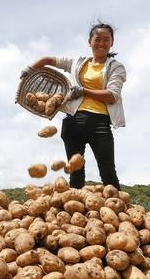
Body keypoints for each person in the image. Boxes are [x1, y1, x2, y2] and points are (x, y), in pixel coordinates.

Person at [21, 22, 126, 189]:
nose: (101, 43)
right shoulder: (78, 62)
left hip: (99, 123)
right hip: (72, 121)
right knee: (75, 173)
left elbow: (112, 96)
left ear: (112, 42)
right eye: (97, 39)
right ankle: (74, 211)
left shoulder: (116, 67)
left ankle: (123, 211)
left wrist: (83, 91)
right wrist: (30, 69)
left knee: (107, 173)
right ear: (89, 41)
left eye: (106, 40)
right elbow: (48, 60)